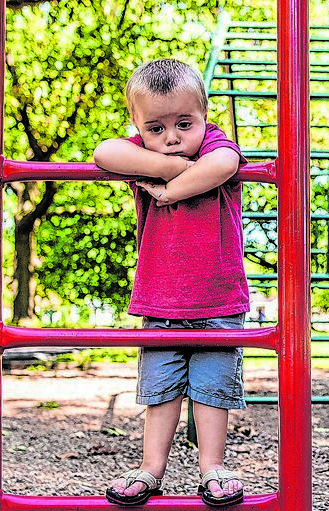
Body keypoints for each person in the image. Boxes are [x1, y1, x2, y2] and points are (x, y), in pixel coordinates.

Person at [93, 58, 248, 507]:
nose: (173, 138)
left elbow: (223, 162)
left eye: (184, 123)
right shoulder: (148, 156)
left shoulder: (214, 145)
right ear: (137, 127)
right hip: (160, 298)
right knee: (159, 390)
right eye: (155, 129)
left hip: (217, 299)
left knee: (213, 389)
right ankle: (149, 470)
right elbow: (104, 153)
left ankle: (213, 468)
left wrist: (172, 188)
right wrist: (169, 168)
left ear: (205, 114)